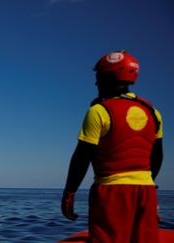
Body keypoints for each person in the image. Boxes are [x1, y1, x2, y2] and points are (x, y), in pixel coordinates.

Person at [61, 50, 163, 243]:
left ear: (110, 76)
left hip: (112, 192)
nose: (96, 83)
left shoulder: (99, 111)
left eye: (98, 77)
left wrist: (69, 194)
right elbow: (157, 157)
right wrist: (145, 182)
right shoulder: (152, 112)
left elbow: (82, 157)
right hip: (147, 192)